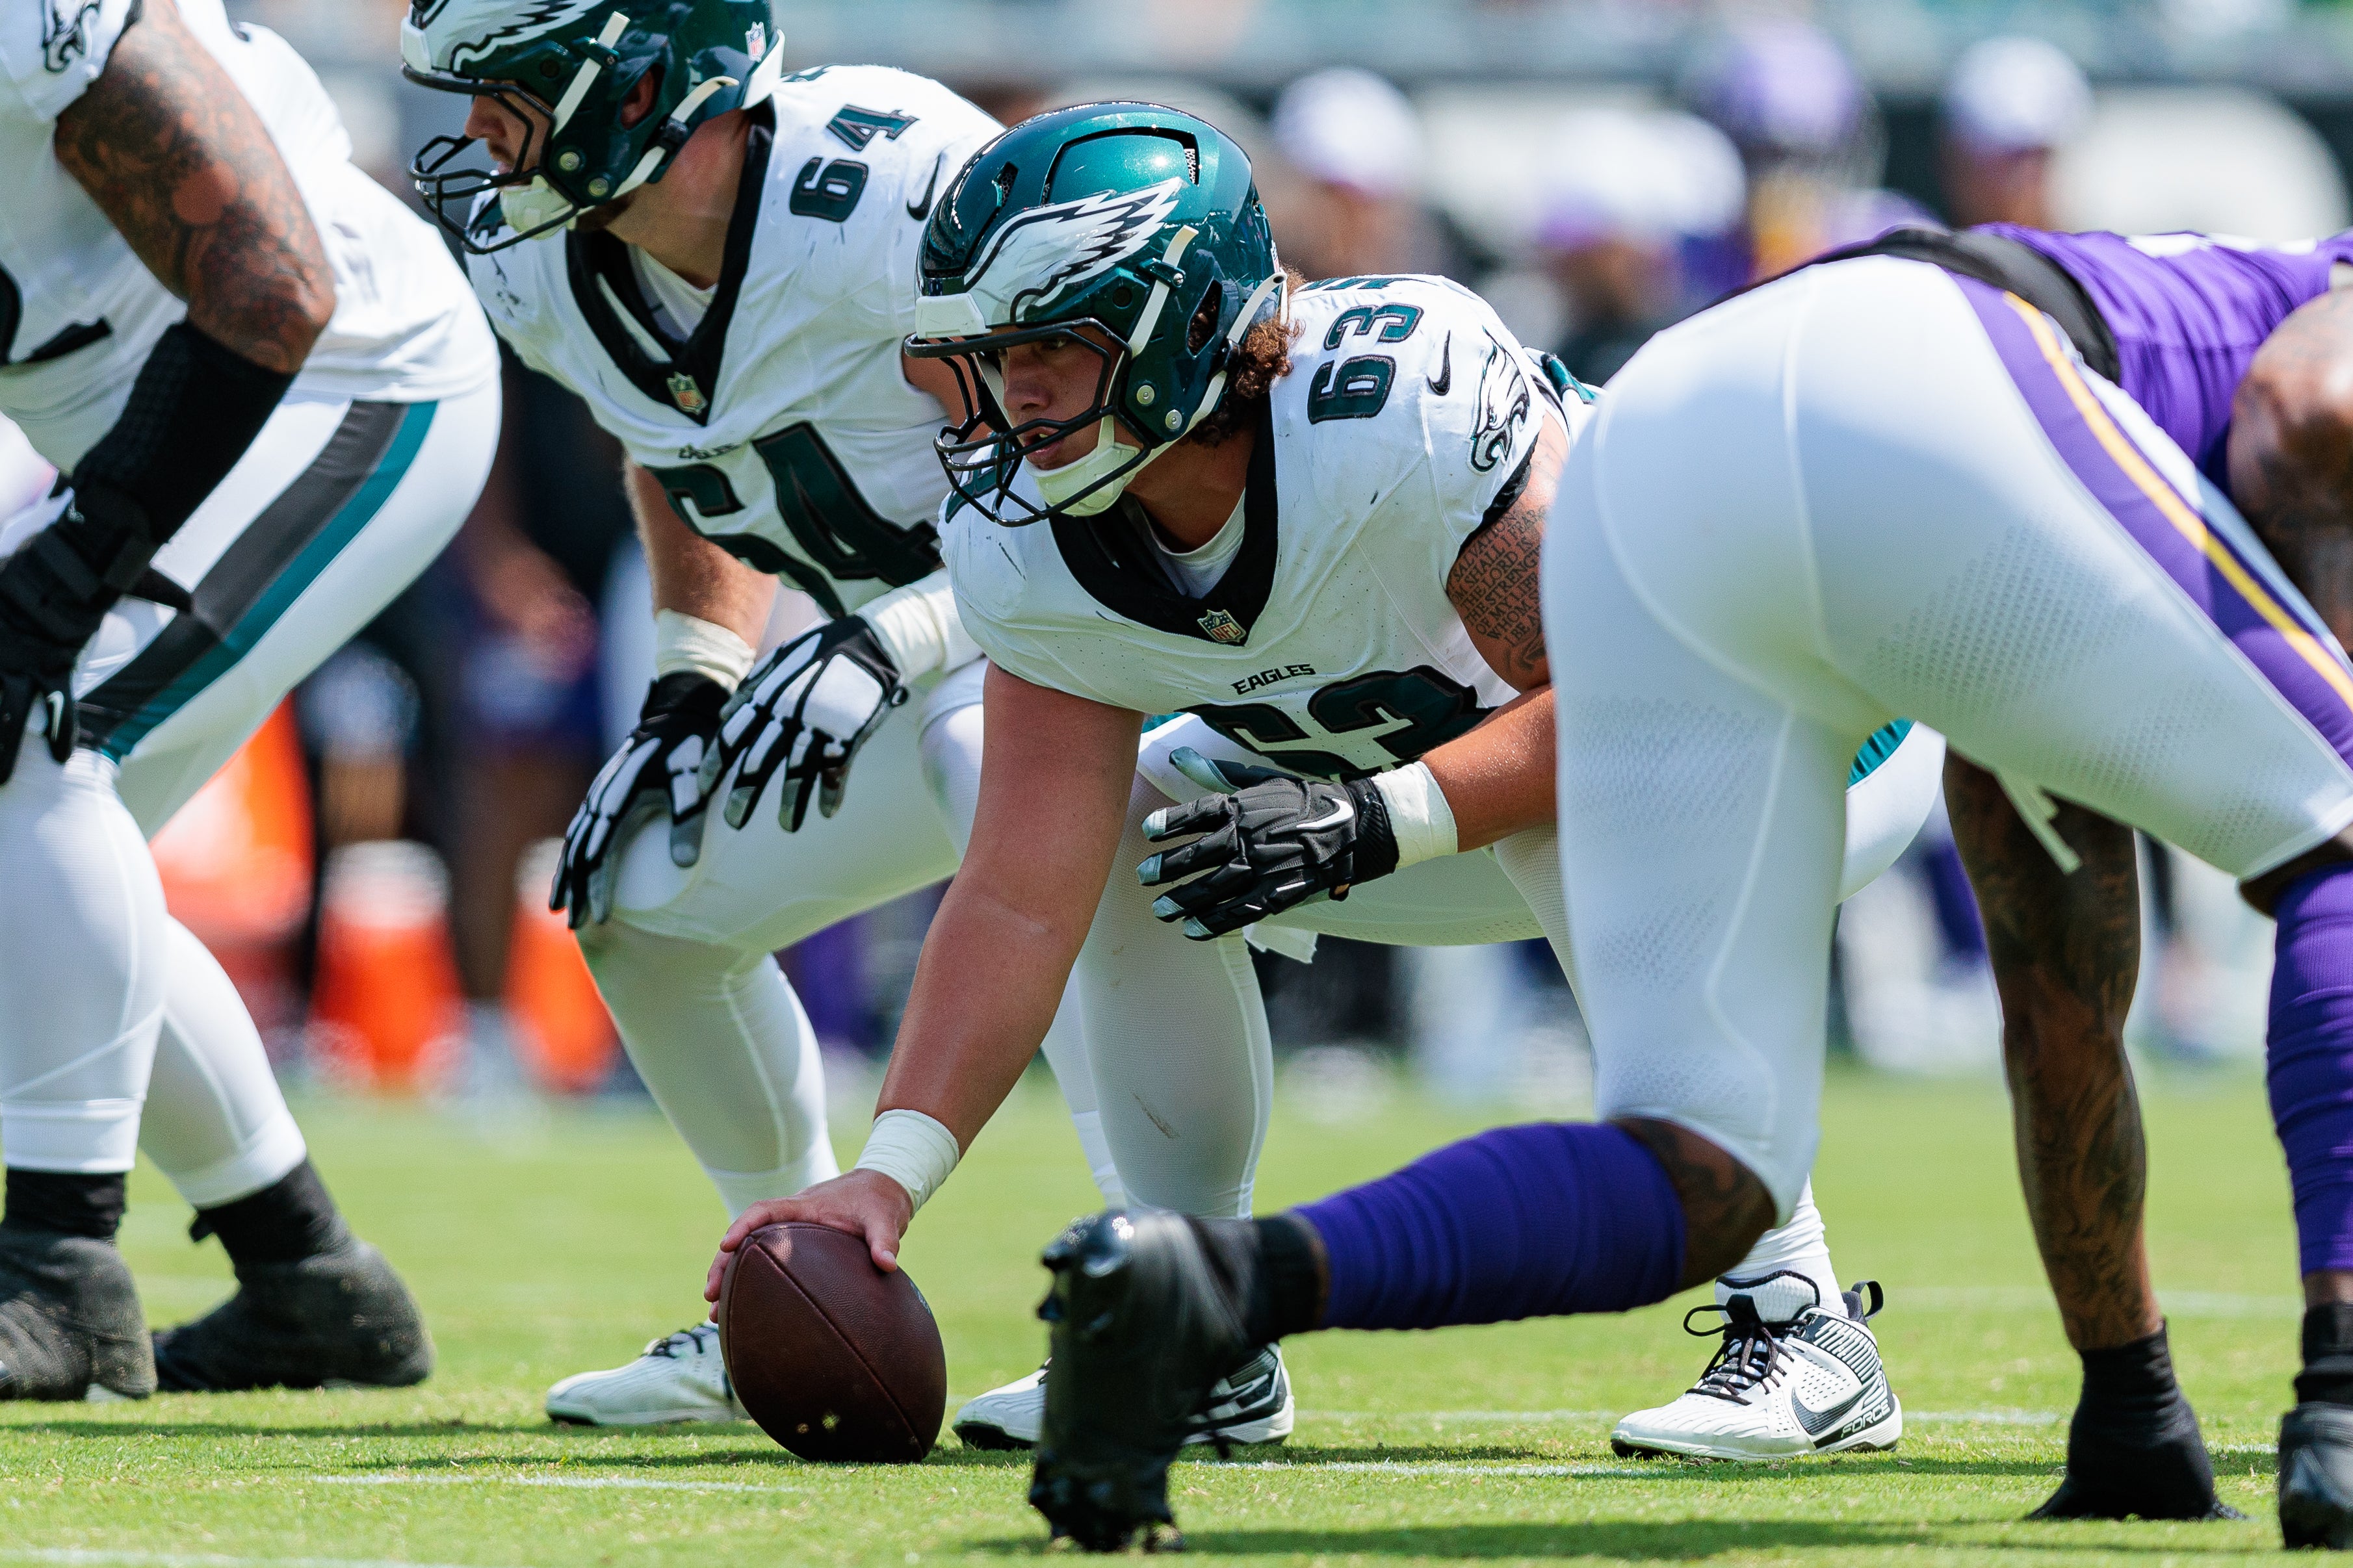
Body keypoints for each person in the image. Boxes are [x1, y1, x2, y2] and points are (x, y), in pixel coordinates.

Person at [1023, 216, 2353, 1546]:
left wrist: (2131, 1406)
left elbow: (2060, 1002)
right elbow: (2310, 400)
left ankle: (1211, 1284)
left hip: (1682, 424)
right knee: (2336, 827)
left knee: (1708, 1165)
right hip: (1931, 375)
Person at [701, 101, 1942, 1466]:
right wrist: (889, 1176)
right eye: (990, 354)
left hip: (1794, 737)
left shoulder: (1396, 407)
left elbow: (1630, 707)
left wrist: (1375, 817)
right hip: (1432, 795)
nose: (1014, 395)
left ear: (1181, 325)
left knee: (1588, 796)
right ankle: (1204, 1320)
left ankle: (1803, 1318)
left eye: (1049, 344)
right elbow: (1016, 899)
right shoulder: (1027, 541)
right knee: (1118, 822)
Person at [402, 0, 1306, 1445]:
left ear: (639, 82)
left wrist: (903, 630)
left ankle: (1199, 1308)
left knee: (1015, 782)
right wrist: (695, 670)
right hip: (888, 655)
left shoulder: (895, 180)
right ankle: (776, 1279)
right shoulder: (546, 256)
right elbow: (681, 454)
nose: (474, 135)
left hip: (1103, 642)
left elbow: (1124, 415)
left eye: (507, 89)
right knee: (637, 892)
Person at [0, 0, 499, 1399]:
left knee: (36, 735)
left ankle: (59, 1265)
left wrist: (71, 569)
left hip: (340, 375)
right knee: (25, 855)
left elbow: (274, 285)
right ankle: (307, 1277)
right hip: (140, 410)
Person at [1940, 36, 2093, 231]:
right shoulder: (1909, 252)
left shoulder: (2102, 258)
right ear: (1956, 162)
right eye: (2009, 159)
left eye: (2041, 156)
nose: (2026, 177)